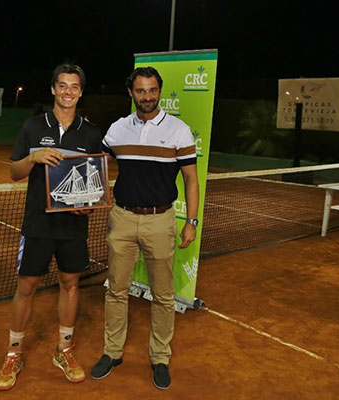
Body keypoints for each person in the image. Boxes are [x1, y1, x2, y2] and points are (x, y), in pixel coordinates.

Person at [0, 63, 102, 391]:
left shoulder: (90, 132)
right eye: (63, 85)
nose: (68, 91)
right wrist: (33, 157)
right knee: (26, 286)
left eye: (74, 86)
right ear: (53, 89)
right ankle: (13, 353)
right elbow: (14, 173)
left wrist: (89, 204)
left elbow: (94, 181)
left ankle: (64, 350)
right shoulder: (32, 126)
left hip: (73, 227)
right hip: (38, 224)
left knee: (70, 284)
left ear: (81, 92)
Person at [91, 66, 199, 390]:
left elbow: (191, 180)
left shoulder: (179, 130)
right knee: (116, 290)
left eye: (152, 90)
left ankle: (160, 357)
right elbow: (95, 162)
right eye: (141, 91)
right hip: (122, 219)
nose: (147, 96)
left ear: (159, 91)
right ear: (131, 93)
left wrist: (191, 222)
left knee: (163, 296)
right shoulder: (118, 128)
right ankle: (112, 352)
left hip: (161, 221)